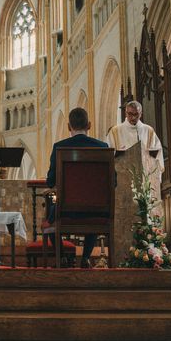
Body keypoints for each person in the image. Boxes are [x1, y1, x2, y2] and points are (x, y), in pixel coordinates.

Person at [44, 107, 109, 268]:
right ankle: (86, 258)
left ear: (68, 126)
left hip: (67, 211)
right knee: (93, 204)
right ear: (89, 125)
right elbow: (112, 181)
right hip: (97, 210)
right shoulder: (102, 147)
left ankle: (64, 258)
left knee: (50, 214)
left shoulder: (59, 147)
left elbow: (50, 181)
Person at [106, 100, 164, 216]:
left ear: (141, 113)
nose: (132, 118)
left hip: (145, 184)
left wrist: (156, 177)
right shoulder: (115, 132)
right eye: (129, 114)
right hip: (123, 184)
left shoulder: (149, 131)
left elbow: (158, 156)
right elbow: (108, 156)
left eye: (136, 114)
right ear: (125, 113)